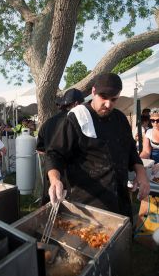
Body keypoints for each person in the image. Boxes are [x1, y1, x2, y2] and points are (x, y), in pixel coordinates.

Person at [46, 73, 150, 219]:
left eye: (114, 99)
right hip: (89, 203)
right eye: (104, 97)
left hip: (120, 198)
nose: (108, 104)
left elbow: (131, 150)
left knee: (121, 238)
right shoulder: (77, 118)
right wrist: (55, 179)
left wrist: (141, 174)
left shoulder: (120, 118)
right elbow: (55, 154)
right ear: (93, 92)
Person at [36, 88, 84, 204]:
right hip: (70, 175)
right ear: (77, 104)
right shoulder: (78, 122)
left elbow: (40, 149)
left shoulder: (47, 123)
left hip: (51, 171)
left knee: (50, 201)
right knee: (68, 211)